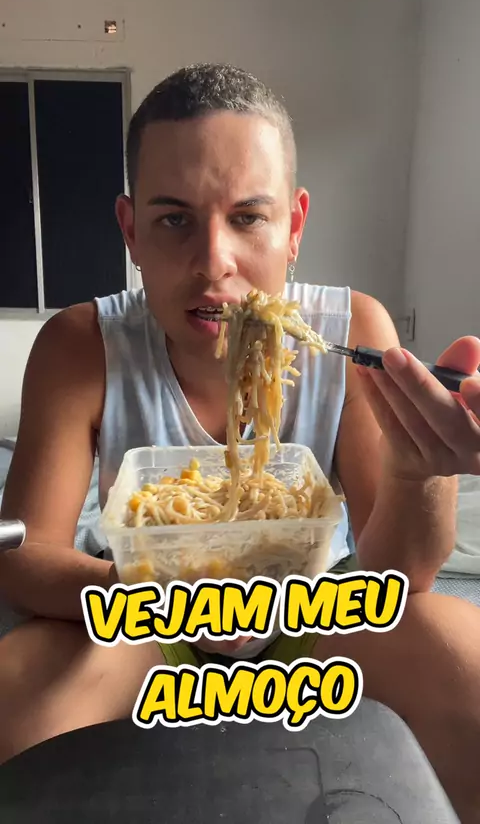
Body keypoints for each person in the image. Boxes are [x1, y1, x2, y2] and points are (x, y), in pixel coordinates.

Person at [0, 63, 479, 821]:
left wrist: (421, 472)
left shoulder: (353, 331)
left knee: (464, 655)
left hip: (317, 619)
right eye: (174, 220)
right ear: (130, 229)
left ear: (294, 226)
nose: (214, 262)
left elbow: (399, 579)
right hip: (140, 627)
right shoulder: (80, 344)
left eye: (249, 218)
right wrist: (161, 601)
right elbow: (24, 557)